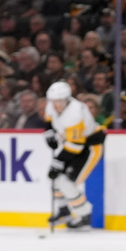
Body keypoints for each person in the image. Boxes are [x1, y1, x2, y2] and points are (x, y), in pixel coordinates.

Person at [43, 81, 105, 230]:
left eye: (59, 101)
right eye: (53, 101)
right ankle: (64, 210)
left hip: (89, 147)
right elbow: (49, 121)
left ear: (66, 99)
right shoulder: (51, 104)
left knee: (66, 181)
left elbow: (75, 147)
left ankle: (84, 215)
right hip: (74, 144)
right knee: (55, 178)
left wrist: (57, 163)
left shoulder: (75, 113)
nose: (55, 105)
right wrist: (49, 133)